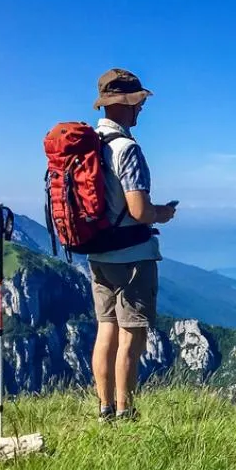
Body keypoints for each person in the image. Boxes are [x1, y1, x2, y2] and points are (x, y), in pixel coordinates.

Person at [88, 68, 177, 422]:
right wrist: (163, 213)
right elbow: (139, 210)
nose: (141, 108)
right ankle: (126, 411)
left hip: (98, 251)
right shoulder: (126, 149)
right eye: (139, 102)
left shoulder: (90, 144)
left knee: (105, 329)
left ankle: (104, 409)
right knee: (131, 337)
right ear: (126, 104)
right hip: (133, 257)